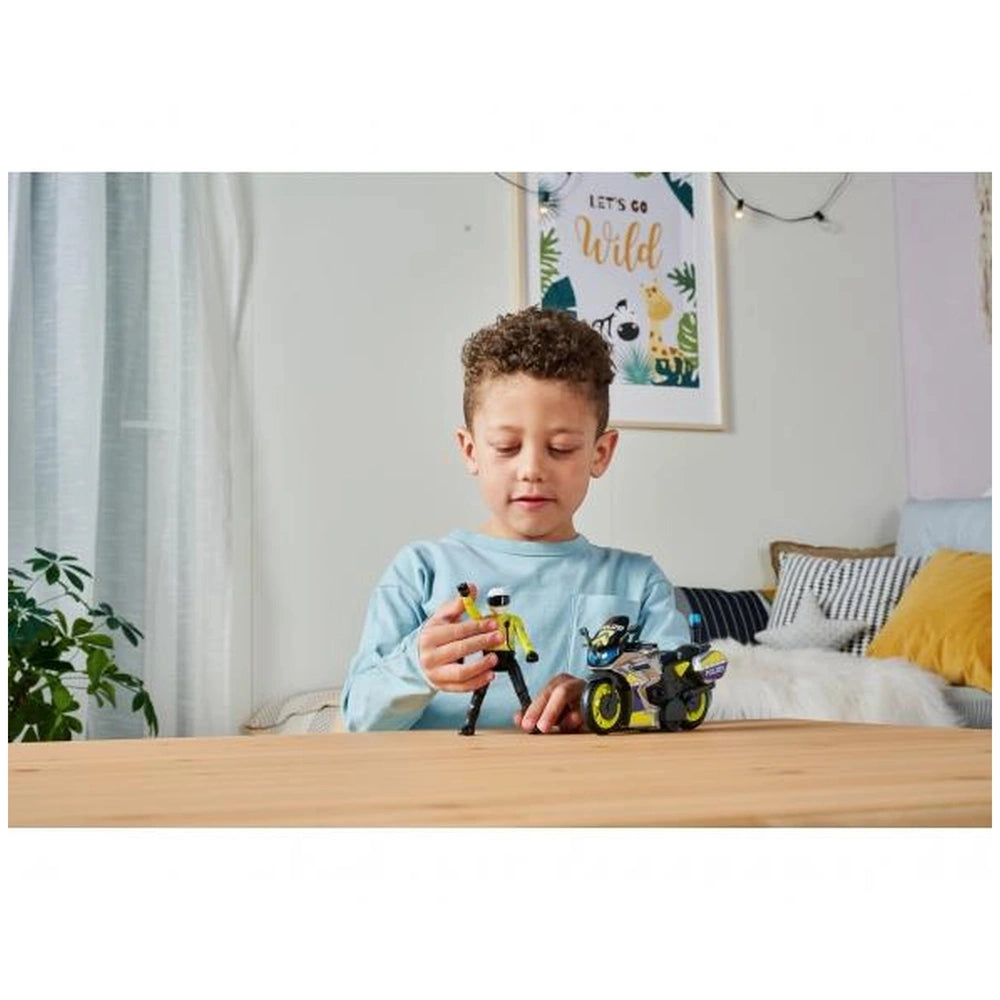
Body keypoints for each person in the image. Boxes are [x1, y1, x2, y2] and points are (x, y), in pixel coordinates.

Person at [341, 306, 689, 733]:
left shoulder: (639, 582)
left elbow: (678, 695)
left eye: (561, 448)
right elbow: (358, 718)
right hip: (446, 778)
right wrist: (415, 667)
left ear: (600, 454)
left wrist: (603, 696)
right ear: (470, 451)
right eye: (506, 447)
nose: (531, 470)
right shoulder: (421, 571)